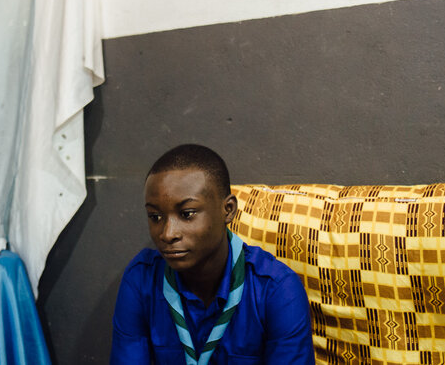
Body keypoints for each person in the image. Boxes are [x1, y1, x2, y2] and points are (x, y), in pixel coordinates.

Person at [111, 144, 314, 364]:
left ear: (228, 210)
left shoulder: (276, 289)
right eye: (155, 217)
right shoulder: (141, 280)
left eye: (187, 214)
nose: (167, 234)